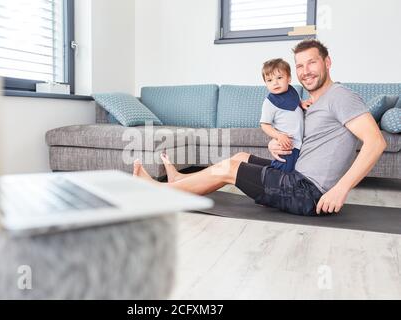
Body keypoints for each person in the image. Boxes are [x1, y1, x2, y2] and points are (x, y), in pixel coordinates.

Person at [133, 39, 387, 216]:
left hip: (306, 192)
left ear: (327, 62)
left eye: (312, 63)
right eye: (299, 65)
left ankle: (162, 191)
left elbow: (376, 143)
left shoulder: (341, 95)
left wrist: (341, 189)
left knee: (232, 168)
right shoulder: (315, 102)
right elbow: (304, 137)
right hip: (295, 175)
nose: (305, 71)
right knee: (241, 157)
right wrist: (274, 142)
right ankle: (180, 180)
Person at [260, 58, 306, 173]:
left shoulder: (292, 92)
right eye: (269, 80)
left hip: (299, 143)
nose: (275, 83)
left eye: (279, 78)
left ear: (289, 78)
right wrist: (279, 136)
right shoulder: (269, 102)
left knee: (297, 170)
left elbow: (296, 103)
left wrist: (303, 103)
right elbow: (265, 125)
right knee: (283, 170)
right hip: (286, 144)